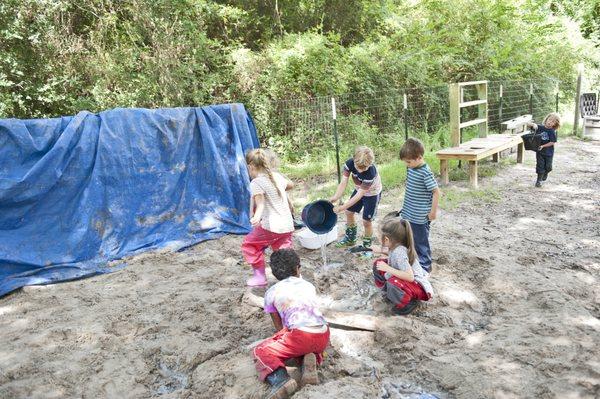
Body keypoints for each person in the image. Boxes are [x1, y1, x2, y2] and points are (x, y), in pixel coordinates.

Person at [252, 249, 330, 399]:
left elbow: (280, 329)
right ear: (297, 268)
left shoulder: (271, 293)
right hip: (323, 334)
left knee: (260, 351)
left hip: (300, 335)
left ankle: (281, 380)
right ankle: (309, 360)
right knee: (302, 344)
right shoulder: (308, 285)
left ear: (274, 274)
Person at [242, 149, 294, 287]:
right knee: (283, 250)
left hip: (271, 226)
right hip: (287, 225)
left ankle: (260, 277)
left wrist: (256, 218)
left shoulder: (256, 183)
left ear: (250, 167)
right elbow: (291, 185)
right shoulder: (276, 177)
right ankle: (291, 277)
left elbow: (260, 204)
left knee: (250, 244)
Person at [373, 218, 434, 315]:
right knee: (378, 264)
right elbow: (390, 252)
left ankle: (408, 304)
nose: (380, 239)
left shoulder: (399, 252)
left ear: (387, 239)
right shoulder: (396, 246)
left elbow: (410, 277)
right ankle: (386, 290)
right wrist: (378, 250)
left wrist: (388, 268)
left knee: (393, 283)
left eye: (381, 237)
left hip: (417, 286)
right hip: (408, 282)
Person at [329, 146, 382, 251]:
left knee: (366, 221)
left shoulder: (371, 172)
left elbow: (360, 195)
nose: (361, 171)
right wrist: (336, 196)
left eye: (364, 168)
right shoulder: (349, 164)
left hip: (372, 194)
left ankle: (367, 247)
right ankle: (350, 239)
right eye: (359, 167)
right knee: (349, 212)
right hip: (359, 189)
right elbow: (344, 182)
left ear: (370, 164)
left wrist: (342, 207)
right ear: (354, 160)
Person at [399, 138, 439, 273]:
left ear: (419, 157)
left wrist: (433, 212)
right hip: (408, 212)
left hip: (420, 216)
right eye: (405, 162)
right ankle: (412, 261)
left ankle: (425, 268)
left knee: (421, 242)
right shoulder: (411, 168)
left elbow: (436, 192)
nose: (407, 164)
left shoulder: (425, 172)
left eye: (409, 162)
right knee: (409, 238)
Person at [527, 113, 560, 187]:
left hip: (549, 153)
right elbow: (528, 124)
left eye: (552, 122)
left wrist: (543, 146)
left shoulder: (552, 131)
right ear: (546, 119)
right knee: (540, 166)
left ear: (555, 124)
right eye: (549, 120)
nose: (550, 122)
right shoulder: (540, 128)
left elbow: (552, 142)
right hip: (540, 152)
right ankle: (539, 180)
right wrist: (533, 125)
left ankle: (546, 173)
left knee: (548, 167)